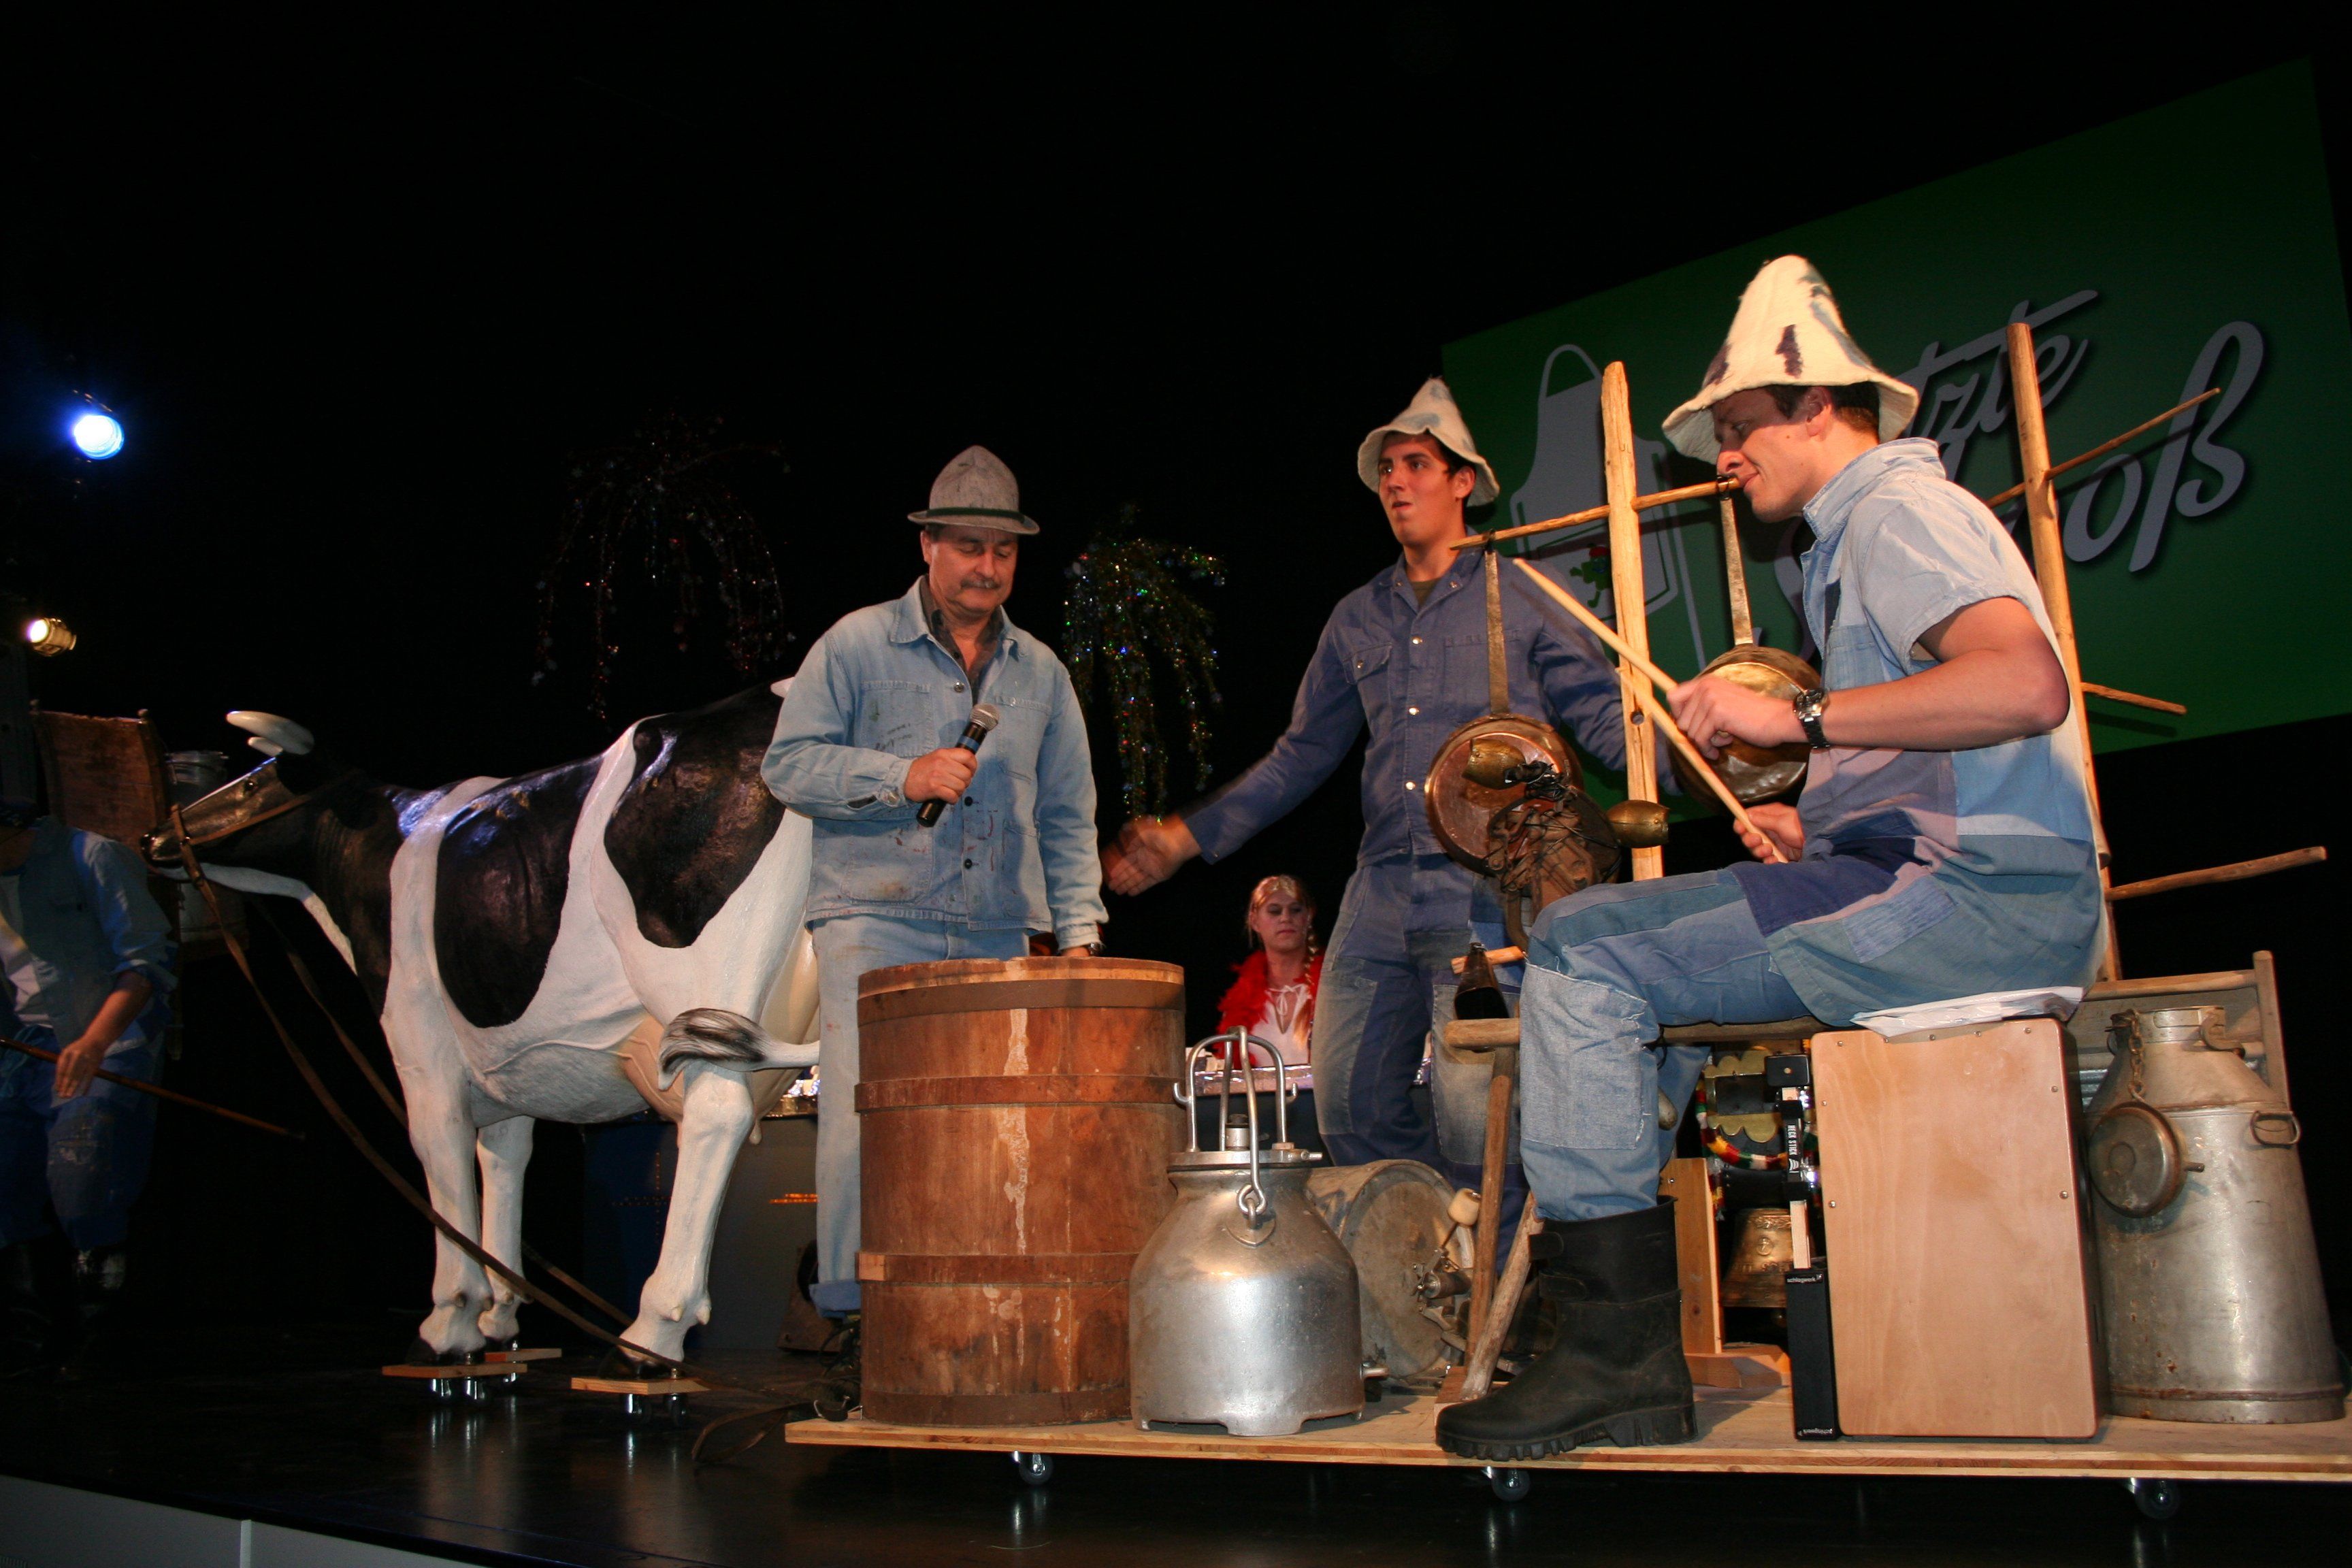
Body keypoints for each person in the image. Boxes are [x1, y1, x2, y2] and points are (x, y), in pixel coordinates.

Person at [1436, 255, 2100, 1460]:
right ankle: (1608, 1325)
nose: (1726, 456)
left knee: (1580, 946)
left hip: (1971, 901)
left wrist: (1797, 720)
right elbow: (1946, 749)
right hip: (1932, 879)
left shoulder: (1897, 511)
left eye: (1741, 426)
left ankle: (1611, 1351)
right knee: (1637, 967)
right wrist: (1814, 826)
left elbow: (2023, 683)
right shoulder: (1852, 538)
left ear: (1817, 406)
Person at [1109, 378, 1644, 1207]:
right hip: (1383, 887)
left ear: (1462, 481)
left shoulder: (1524, 596)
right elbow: (1300, 755)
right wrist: (1186, 835)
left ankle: (1490, 1269)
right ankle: (1428, 1245)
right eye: (1387, 468)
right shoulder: (1358, 617)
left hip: (1487, 889)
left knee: (1475, 1118)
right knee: (1349, 1105)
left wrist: (1718, 761)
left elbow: (1611, 726)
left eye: (1416, 464)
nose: (1395, 481)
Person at [764, 446, 1107, 1318]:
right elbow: (787, 766)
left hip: (996, 929)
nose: (986, 566)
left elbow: (1068, 815)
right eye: (968, 546)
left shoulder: (1042, 674)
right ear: (927, 546)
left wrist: (1079, 935)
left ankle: (975, 1310)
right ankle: (854, 1312)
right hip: (875, 919)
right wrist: (901, 776)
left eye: (1003, 550)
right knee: (864, 1117)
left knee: (993, 1123)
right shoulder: (855, 644)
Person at [0, 800, 177, 1377]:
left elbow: (145, 963)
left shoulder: (90, 856)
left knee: (85, 1181)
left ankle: (101, 1333)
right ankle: (28, 1333)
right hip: (25, 1047)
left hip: (107, 1040)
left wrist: (94, 1042)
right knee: (6, 1180)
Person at [1196, 875, 1324, 1154]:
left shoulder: (1333, 987)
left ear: (1309, 916)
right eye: (1275, 911)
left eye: (1295, 909)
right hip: (1261, 1129)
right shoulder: (1241, 999)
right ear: (1255, 921)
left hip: (1323, 1121)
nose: (1286, 918)